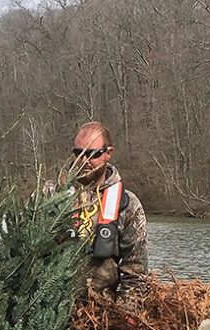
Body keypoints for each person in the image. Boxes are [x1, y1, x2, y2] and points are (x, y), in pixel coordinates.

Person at [50, 121, 148, 298]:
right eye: (78, 153)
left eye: (92, 154)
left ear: (108, 153)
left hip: (101, 311)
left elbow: (135, 275)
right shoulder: (50, 196)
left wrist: (124, 316)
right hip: (50, 308)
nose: (84, 160)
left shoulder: (128, 205)